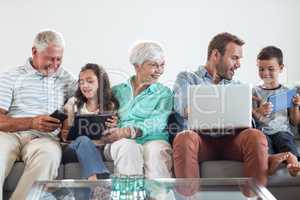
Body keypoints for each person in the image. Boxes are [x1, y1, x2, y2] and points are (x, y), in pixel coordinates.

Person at [172, 32, 270, 186]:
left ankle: (253, 198)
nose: (238, 64)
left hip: (232, 141)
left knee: (255, 136)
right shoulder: (188, 78)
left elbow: (246, 123)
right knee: (184, 138)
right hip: (201, 142)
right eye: (234, 58)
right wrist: (223, 103)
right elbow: (184, 109)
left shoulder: (237, 87)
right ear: (216, 55)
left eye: (239, 59)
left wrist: (252, 114)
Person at [0, 30, 76, 199]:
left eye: (59, 59)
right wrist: (31, 122)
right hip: (8, 135)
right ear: (34, 52)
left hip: (44, 139)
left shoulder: (66, 78)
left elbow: (86, 102)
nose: (55, 64)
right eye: (50, 58)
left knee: (49, 154)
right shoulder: (11, 76)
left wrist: (68, 117)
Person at [102, 41, 173, 178]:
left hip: (153, 139)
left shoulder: (164, 93)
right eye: (153, 65)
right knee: (128, 147)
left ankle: (158, 196)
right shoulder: (116, 92)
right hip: (120, 141)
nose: (159, 70)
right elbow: (104, 117)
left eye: (162, 65)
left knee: (155, 152)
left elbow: (158, 122)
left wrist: (130, 131)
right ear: (137, 66)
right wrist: (111, 123)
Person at [60, 63, 118, 181]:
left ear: (101, 83)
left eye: (90, 81)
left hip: (99, 149)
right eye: (81, 82)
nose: (84, 85)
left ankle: (95, 184)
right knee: (83, 139)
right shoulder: (73, 103)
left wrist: (114, 127)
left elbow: (111, 139)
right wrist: (65, 133)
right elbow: (65, 135)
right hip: (73, 150)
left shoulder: (110, 106)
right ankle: (98, 181)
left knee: (88, 143)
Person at [252, 46, 300, 176]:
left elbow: (295, 122)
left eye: (270, 69)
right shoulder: (255, 92)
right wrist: (258, 111)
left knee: (285, 140)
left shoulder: (287, 92)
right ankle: (275, 160)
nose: (265, 73)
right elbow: (250, 120)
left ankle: (292, 163)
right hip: (263, 132)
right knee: (262, 144)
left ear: (281, 68)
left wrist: (295, 106)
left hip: (282, 131)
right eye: (261, 69)